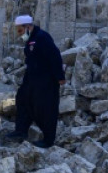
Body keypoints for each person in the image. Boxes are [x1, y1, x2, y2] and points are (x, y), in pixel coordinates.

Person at [5, 15, 65, 148]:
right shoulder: (31, 40)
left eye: (20, 31)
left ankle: (48, 140)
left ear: (28, 27)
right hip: (32, 79)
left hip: (46, 81)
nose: (19, 34)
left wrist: (60, 77)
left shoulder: (42, 37)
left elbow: (55, 57)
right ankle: (21, 131)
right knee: (23, 100)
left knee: (45, 109)